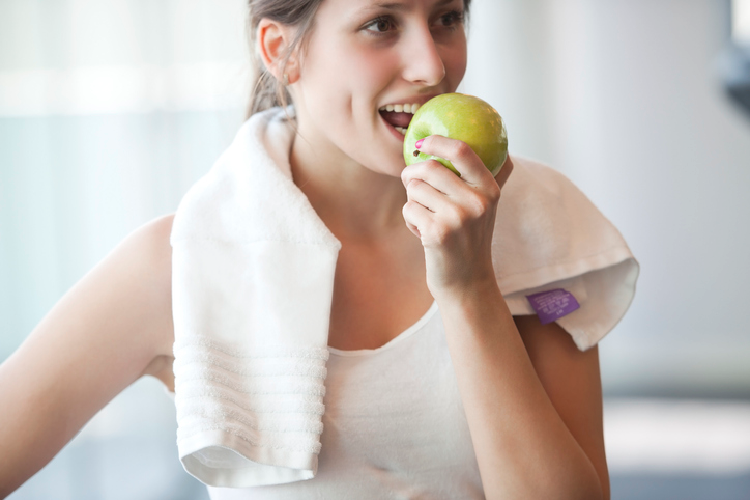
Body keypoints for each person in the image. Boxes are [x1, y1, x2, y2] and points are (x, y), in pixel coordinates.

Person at [0, 0, 639, 498]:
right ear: (283, 52)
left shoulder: (537, 228)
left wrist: (469, 287)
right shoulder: (183, 264)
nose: (432, 66)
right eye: (381, 23)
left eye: (447, 18)